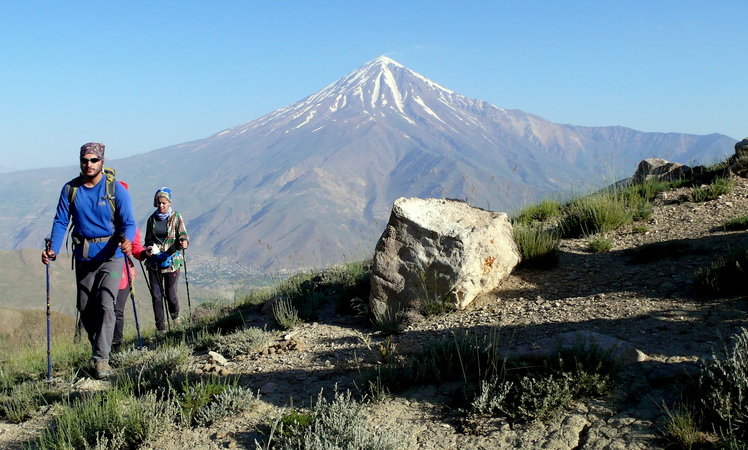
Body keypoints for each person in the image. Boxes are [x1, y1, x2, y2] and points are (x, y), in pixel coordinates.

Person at [41, 143, 136, 379]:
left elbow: (129, 222)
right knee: (84, 307)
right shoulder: (71, 189)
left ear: (102, 161)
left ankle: (101, 359)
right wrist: (52, 249)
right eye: (85, 160)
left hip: (112, 258)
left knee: (106, 303)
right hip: (84, 258)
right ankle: (99, 348)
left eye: (94, 160)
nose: (89, 164)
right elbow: (61, 221)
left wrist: (128, 240)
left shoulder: (115, 189)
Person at [144, 187, 189, 333]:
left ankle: (175, 318)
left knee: (171, 295)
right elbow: (148, 239)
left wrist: (183, 241)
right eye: (158, 203)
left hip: (172, 262)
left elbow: (183, 234)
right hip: (154, 262)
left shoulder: (176, 217)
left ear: (169, 203)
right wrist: (149, 248)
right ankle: (161, 328)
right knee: (156, 295)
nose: (161, 206)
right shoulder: (152, 219)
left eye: (164, 203)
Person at [112, 181, 145, 353]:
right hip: (109, 272)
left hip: (122, 274)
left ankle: (115, 346)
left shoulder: (131, 227)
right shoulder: (104, 224)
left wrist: (144, 254)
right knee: (106, 309)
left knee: (116, 309)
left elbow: (137, 247)